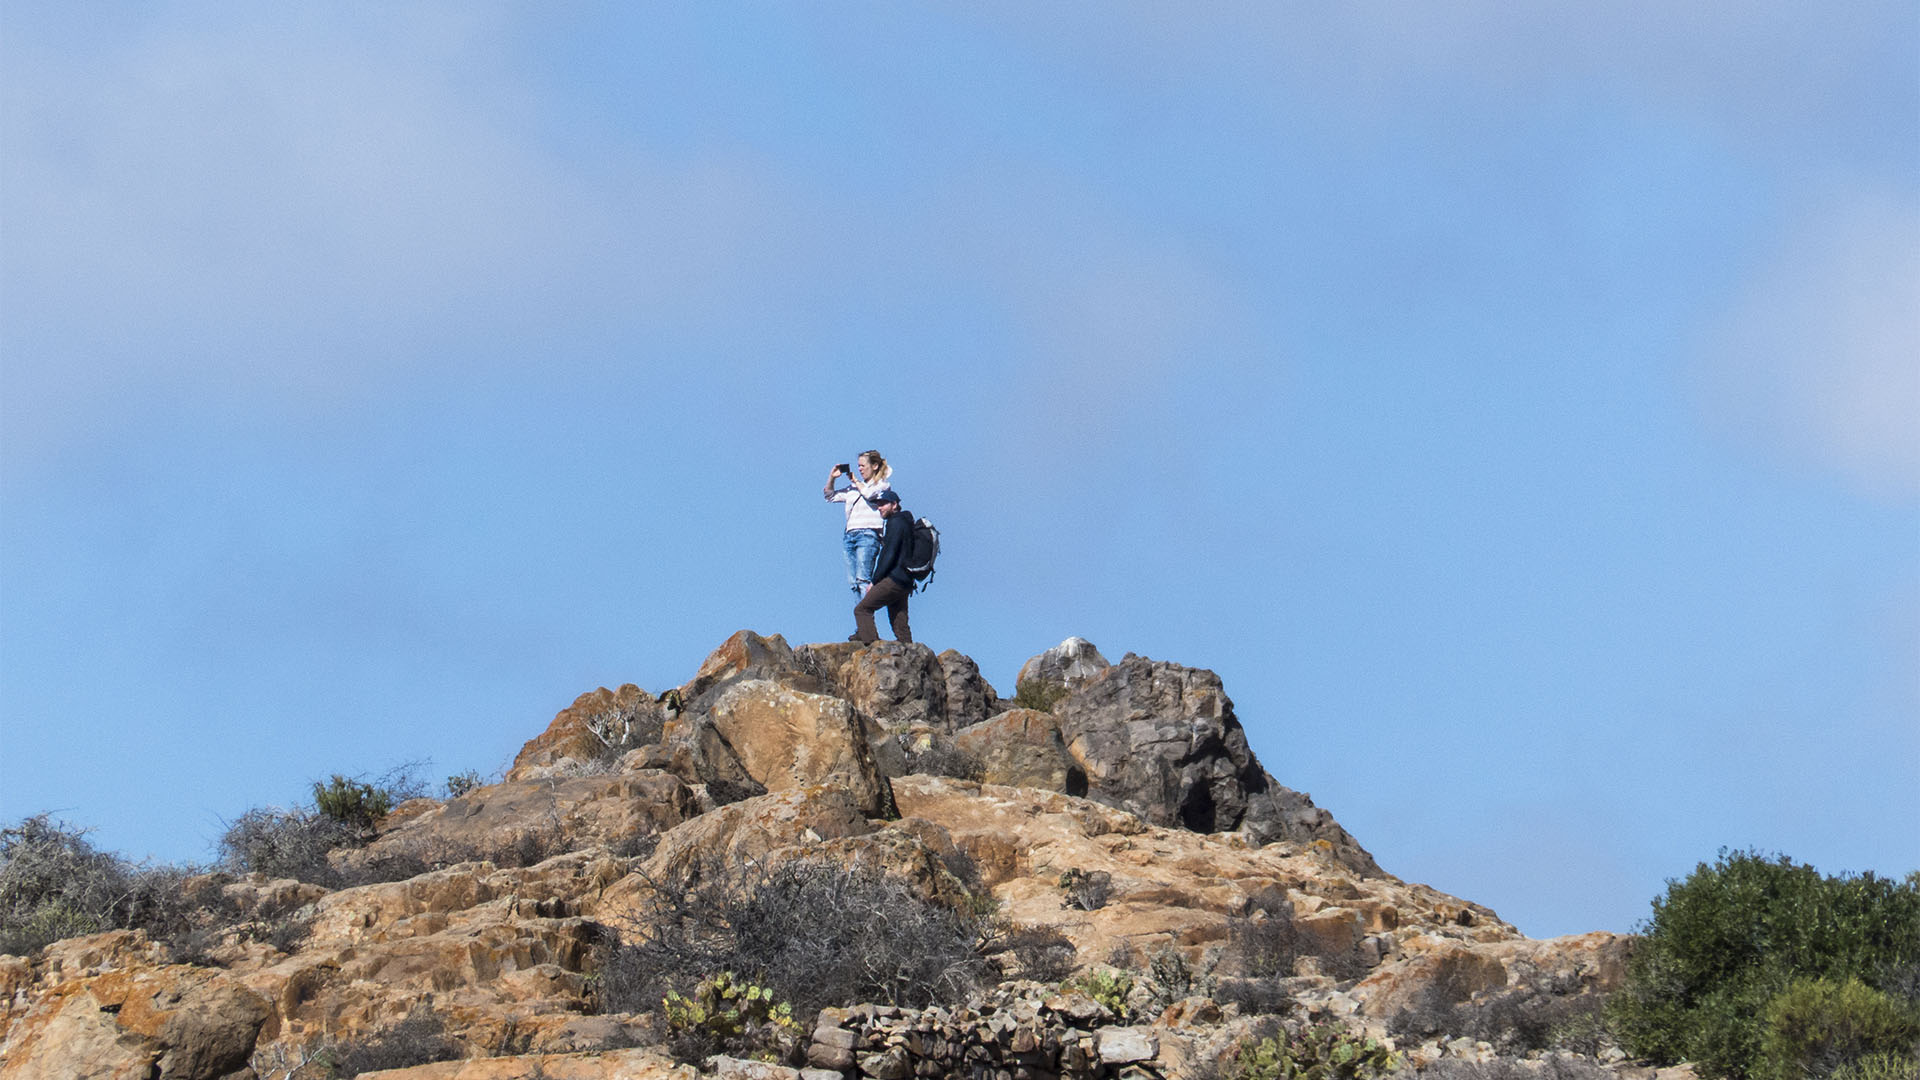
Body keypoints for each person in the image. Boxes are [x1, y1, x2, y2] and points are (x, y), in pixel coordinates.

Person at [823, 450, 892, 595]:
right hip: (850, 534)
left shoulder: (882, 485)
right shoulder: (853, 488)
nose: (859, 469)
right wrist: (832, 478)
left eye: (862, 466)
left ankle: (866, 612)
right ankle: (860, 613)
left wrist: (855, 481)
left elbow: (869, 494)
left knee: (863, 579)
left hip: (868, 533)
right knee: (853, 582)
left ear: (874, 466)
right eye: (858, 466)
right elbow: (830, 496)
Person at [851, 489, 913, 644]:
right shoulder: (906, 522)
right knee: (899, 621)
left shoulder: (896, 523)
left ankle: (873, 646)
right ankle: (910, 651)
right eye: (878, 504)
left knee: (862, 610)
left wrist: (875, 580)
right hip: (906, 581)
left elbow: (888, 554)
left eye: (883, 504)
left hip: (894, 579)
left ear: (894, 504)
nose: (879, 507)